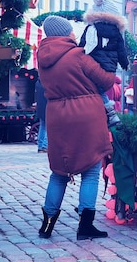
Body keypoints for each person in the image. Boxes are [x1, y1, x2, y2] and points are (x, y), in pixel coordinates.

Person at [37, 15, 115, 240]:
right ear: (66, 33)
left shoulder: (42, 57)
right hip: (86, 114)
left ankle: (47, 224)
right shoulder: (78, 55)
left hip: (57, 116)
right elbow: (107, 80)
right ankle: (85, 226)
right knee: (90, 171)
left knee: (59, 171)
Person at [79, 0, 129, 126]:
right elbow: (121, 50)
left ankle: (109, 113)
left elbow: (82, 46)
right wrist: (124, 64)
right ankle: (105, 114)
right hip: (110, 68)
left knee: (93, 88)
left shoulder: (91, 28)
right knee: (98, 88)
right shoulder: (116, 32)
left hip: (93, 65)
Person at [35, 78, 48, 153]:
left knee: (42, 127)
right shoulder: (47, 83)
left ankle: (40, 146)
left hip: (40, 107)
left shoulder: (38, 83)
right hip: (47, 107)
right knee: (48, 128)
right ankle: (45, 146)